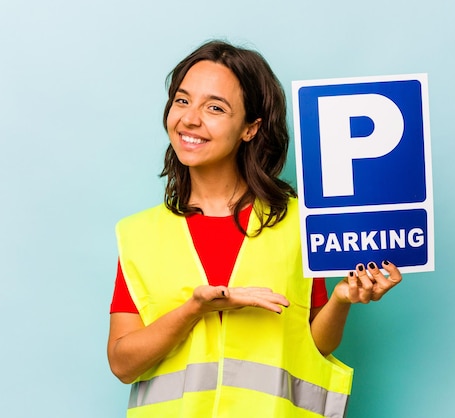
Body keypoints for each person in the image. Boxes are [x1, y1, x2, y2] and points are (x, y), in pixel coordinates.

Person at [107, 40, 402, 418]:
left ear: (251, 128)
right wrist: (194, 309)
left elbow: (313, 345)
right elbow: (122, 363)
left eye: (214, 107)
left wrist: (340, 301)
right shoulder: (140, 235)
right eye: (182, 101)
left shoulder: (298, 223)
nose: (190, 119)